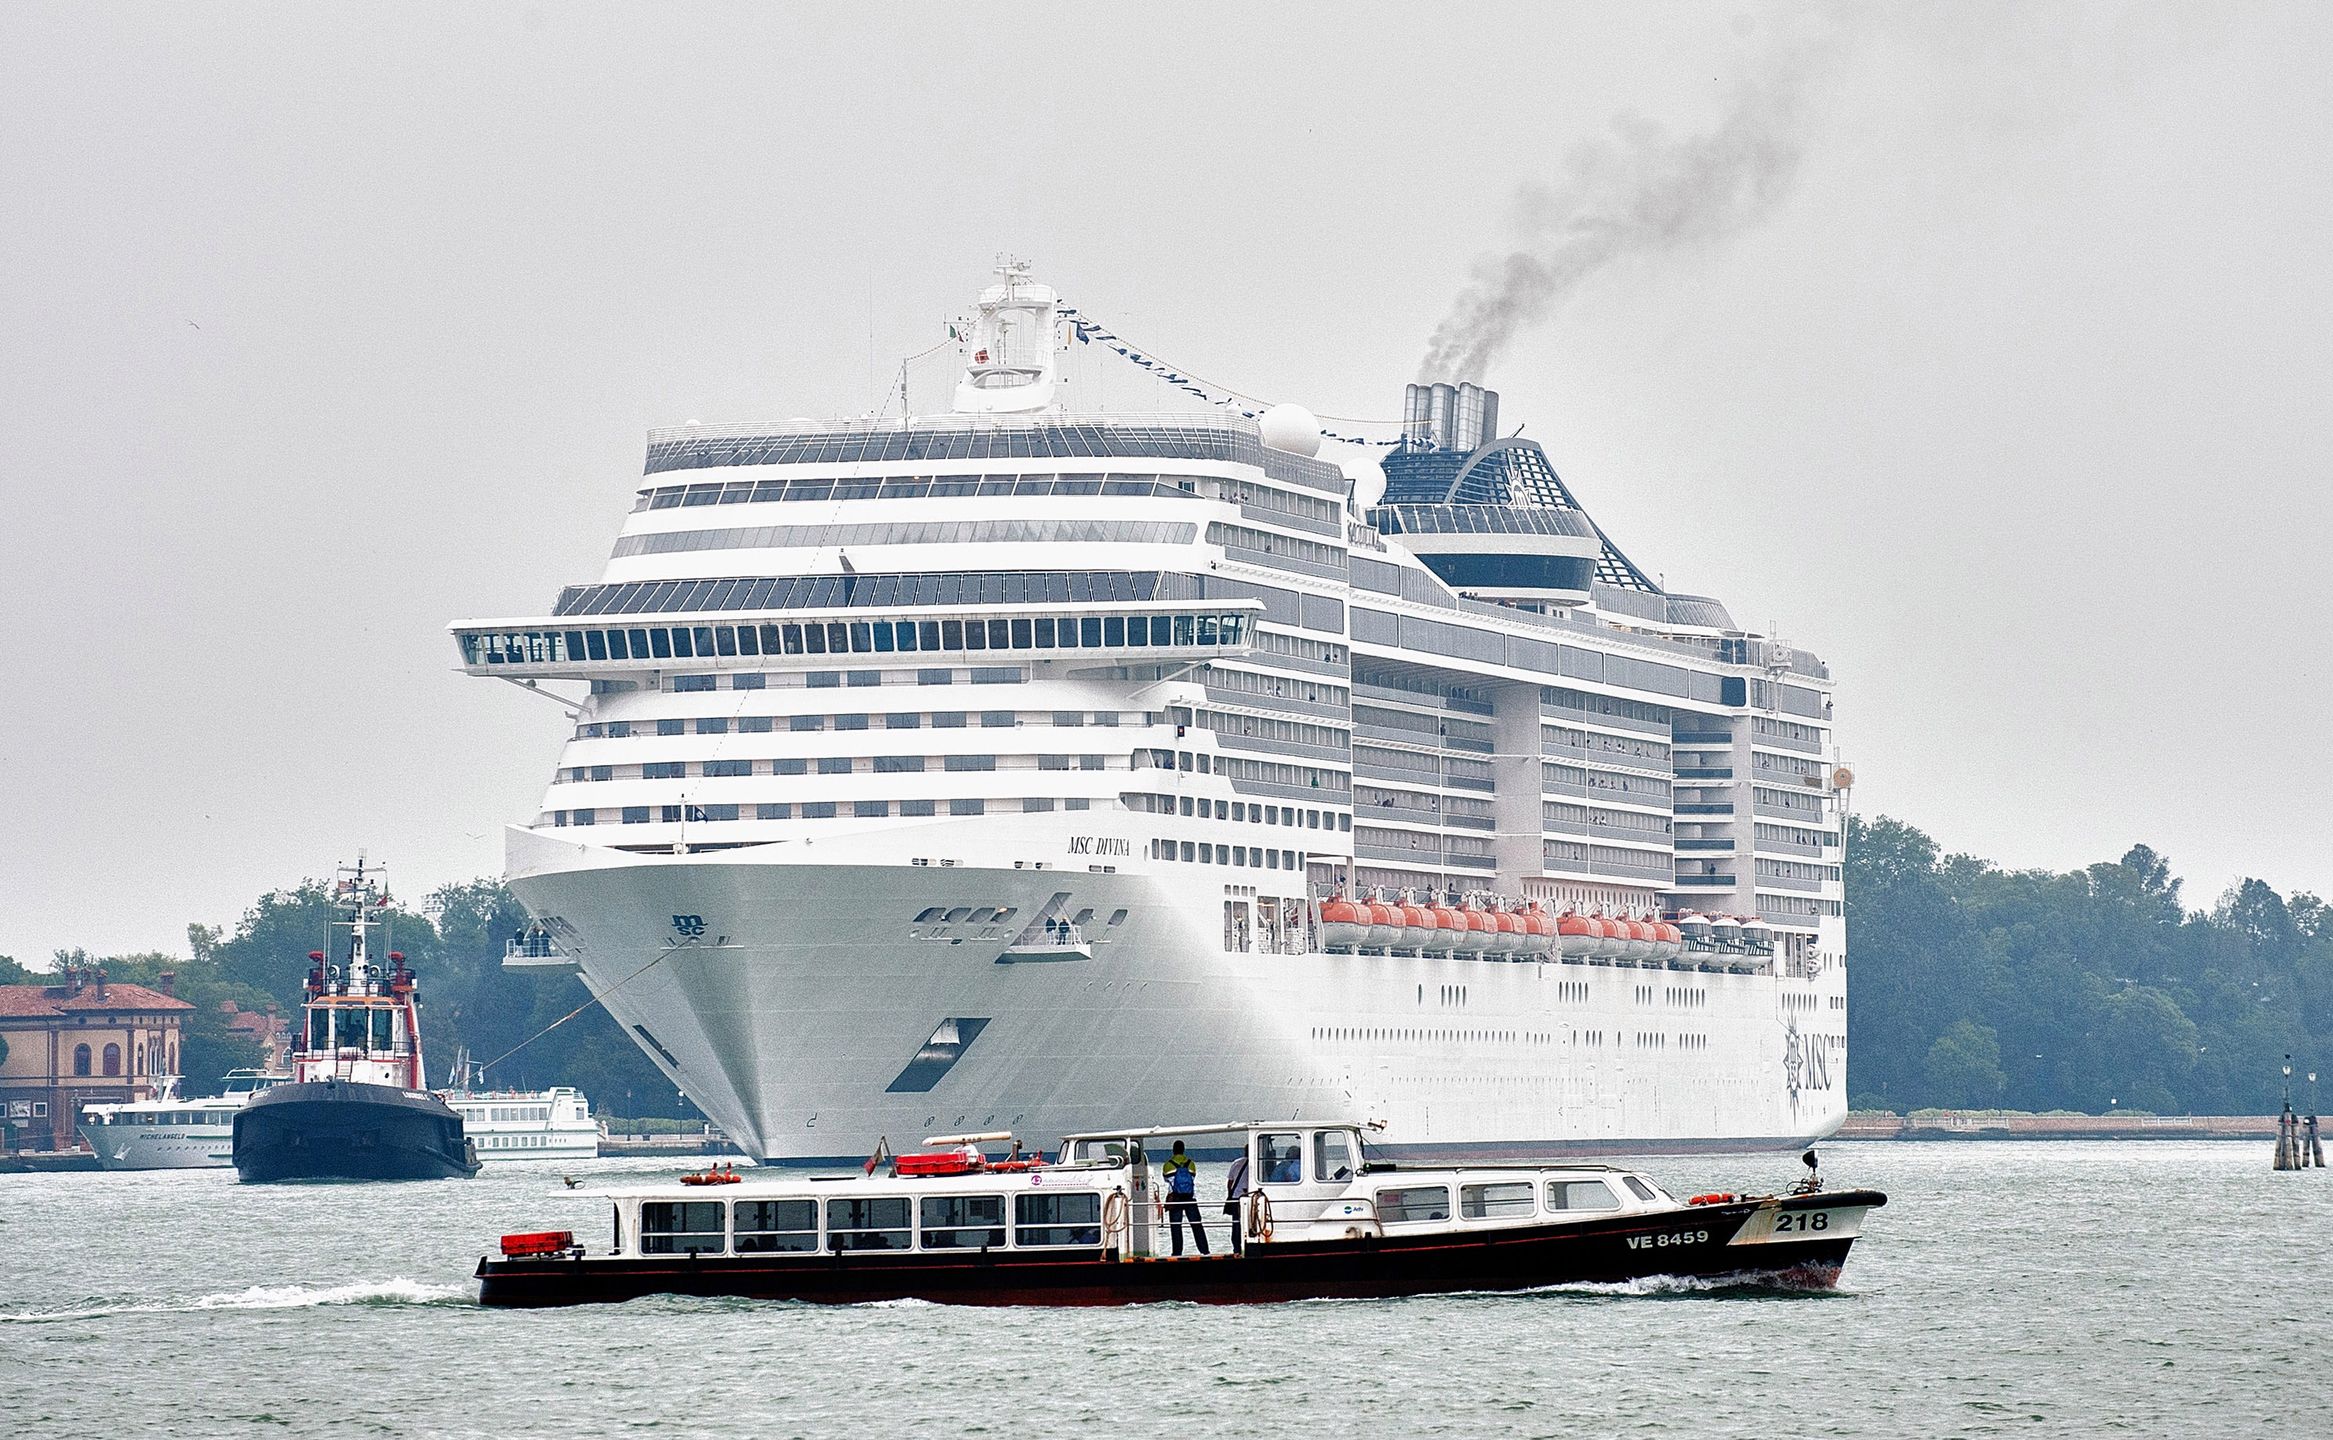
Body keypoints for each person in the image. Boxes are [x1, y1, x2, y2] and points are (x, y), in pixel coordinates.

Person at [1160, 1140, 1208, 1256]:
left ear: (1173, 1150)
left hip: (1175, 1198)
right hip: (1190, 1198)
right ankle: (1205, 1250)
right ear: (1183, 1150)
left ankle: (1177, 1252)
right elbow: (1192, 1178)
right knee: (1196, 1225)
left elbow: (1167, 1180)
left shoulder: (1167, 1165)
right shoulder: (1191, 1164)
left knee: (1176, 1226)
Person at [1223, 1148, 1252, 1255]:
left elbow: (1230, 1182)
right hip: (1249, 1198)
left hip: (1235, 1197)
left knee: (1236, 1224)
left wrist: (1230, 1194)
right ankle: (1248, 1245)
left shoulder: (1236, 1163)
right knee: (1250, 1223)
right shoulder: (1255, 1164)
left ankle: (1236, 1248)